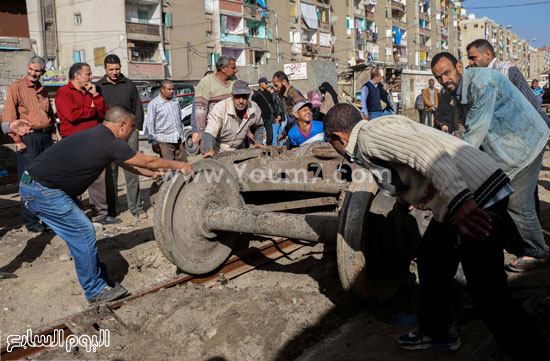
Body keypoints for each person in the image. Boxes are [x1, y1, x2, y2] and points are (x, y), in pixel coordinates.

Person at [322, 103, 549, 361]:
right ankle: (436, 331)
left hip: (473, 196)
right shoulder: (375, 133)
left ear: (338, 138)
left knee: (488, 295)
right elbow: (404, 170)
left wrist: (462, 202)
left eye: (332, 145)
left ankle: (533, 353)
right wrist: (402, 202)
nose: (335, 149)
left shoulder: (369, 137)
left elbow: (427, 153)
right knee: (431, 258)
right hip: (468, 193)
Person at [20, 107, 192, 305]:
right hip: (42, 191)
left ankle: (99, 279)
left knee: (78, 234)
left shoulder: (99, 135)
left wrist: (149, 174)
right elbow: (149, 160)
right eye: (132, 127)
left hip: (36, 186)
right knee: (83, 231)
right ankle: (95, 291)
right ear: (121, 125)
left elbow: (127, 162)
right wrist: (180, 165)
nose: (133, 131)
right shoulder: (109, 141)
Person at [431, 52, 550, 271]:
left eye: (446, 73)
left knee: (517, 203)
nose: (443, 80)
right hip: (508, 144)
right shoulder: (456, 89)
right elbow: (467, 125)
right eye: (438, 77)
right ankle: (516, 240)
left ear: (459, 67)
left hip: (525, 141)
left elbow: (475, 133)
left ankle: (537, 251)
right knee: (506, 196)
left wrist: (449, 162)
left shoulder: (481, 83)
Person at [55, 62, 121, 225]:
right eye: (88, 74)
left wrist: (96, 97)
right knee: (74, 179)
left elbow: (104, 113)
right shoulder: (63, 92)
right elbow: (72, 115)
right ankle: (73, 215)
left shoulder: (92, 92)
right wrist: (92, 111)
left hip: (94, 142)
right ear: (76, 75)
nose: (91, 77)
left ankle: (100, 214)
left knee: (98, 179)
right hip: (74, 143)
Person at [2, 56, 58, 233]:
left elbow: (49, 114)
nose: (34, 73)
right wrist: (17, 141)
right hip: (28, 139)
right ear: (27, 68)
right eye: (31, 70)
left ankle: (47, 218)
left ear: (43, 72)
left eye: (37, 71)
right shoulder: (16, 87)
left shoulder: (43, 89)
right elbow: (8, 118)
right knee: (29, 181)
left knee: (47, 179)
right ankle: (31, 221)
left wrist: (52, 133)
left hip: (45, 139)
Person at [95, 54, 146, 220]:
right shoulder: (98, 86)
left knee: (132, 168)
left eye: (117, 69)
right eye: (111, 69)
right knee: (111, 173)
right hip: (108, 133)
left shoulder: (129, 84)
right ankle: (112, 209)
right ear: (105, 69)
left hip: (129, 132)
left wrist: (136, 128)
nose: (115, 72)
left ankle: (136, 207)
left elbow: (137, 107)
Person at [466, 39, 550, 127]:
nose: (470, 63)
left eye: (473, 58)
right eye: (469, 59)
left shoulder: (506, 70)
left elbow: (532, 103)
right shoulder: (478, 76)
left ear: (487, 55)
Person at [202, 80, 263, 155]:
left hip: (239, 151)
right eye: (237, 96)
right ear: (232, 95)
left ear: (248, 96)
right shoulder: (220, 109)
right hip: (219, 152)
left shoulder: (254, 108)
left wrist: (258, 142)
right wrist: (208, 150)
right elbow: (209, 132)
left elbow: (258, 126)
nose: (241, 101)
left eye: (244, 97)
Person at [192, 55, 237, 146]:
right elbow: (200, 113)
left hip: (234, 133)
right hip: (214, 134)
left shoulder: (235, 82)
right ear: (223, 68)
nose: (236, 70)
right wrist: (202, 138)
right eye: (233, 68)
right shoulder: (206, 83)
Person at [144, 80, 186, 162]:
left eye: (173, 89)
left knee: (183, 166)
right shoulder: (154, 104)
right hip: (164, 140)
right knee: (168, 168)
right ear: (162, 89)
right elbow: (150, 123)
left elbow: (179, 116)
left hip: (179, 137)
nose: (172, 91)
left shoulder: (175, 99)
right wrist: (153, 142)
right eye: (169, 89)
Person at [272, 71, 306, 143]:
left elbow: (305, 113)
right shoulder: (286, 96)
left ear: (284, 82)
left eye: (276, 85)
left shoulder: (294, 94)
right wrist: (284, 132)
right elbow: (291, 118)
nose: (275, 88)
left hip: (299, 135)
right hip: (293, 133)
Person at [251, 77, 275, 145]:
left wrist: (276, 115)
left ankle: (269, 147)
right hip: (260, 118)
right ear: (261, 84)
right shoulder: (255, 95)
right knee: (259, 134)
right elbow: (254, 108)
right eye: (265, 83)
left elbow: (272, 104)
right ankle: (259, 147)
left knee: (270, 134)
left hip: (268, 117)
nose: (267, 85)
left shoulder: (268, 93)